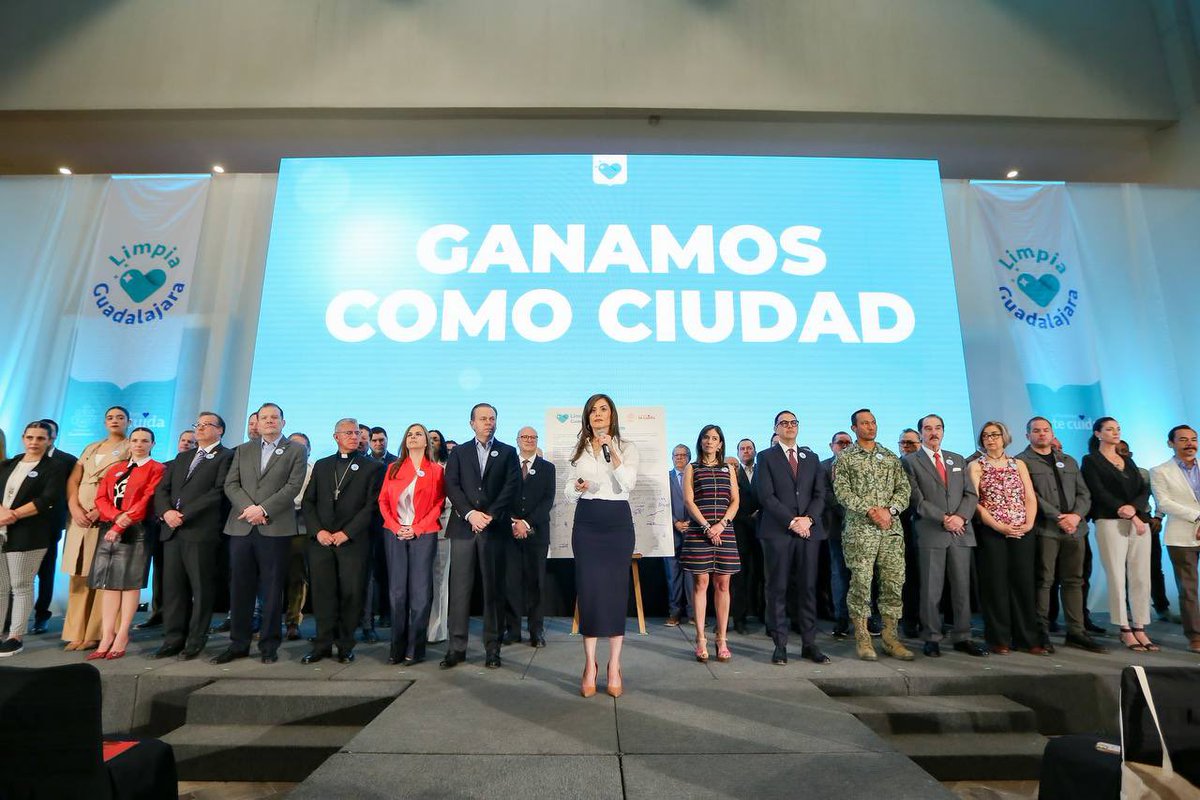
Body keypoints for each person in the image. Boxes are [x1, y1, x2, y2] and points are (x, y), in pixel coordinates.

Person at [213, 403, 308, 664]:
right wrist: (249, 508)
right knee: (240, 588)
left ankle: (269, 646)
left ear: (283, 422)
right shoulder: (244, 450)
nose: (268, 421)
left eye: (274, 417)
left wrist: (263, 509)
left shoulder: (296, 450)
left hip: (274, 527)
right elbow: (231, 483)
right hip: (242, 526)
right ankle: (238, 644)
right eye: (263, 418)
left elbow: (293, 486)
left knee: (272, 588)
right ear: (256, 422)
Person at [564, 393, 638, 697]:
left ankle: (614, 665)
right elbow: (568, 491)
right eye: (593, 410)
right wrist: (578, 487)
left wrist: (612, 450)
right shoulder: (578, 448)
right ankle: (590, 665)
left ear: (612, 415)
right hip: (588, 521)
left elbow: (628, 484)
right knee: (590, 591)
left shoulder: (628, 446)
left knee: (616, 592)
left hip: (617, 521)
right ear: (587, 416)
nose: (598, 414)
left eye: (603, 409)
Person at [1015, 417, 1105, 653]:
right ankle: (1041, 631)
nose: (1042, 434)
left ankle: (1076, 631)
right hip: (1046, 530)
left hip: (1075, 530)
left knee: (1074, 581)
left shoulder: (1068, 460)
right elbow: (1031, 496)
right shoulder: (1021, 462)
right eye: (1036, 431)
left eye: (1046, 430)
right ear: (1028, 436)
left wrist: (1075, 516)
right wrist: (1058, 517)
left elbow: (1084, 493)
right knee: (1044, 581)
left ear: (1052, 433)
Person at [441, 403, 520, 670]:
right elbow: (451, 484)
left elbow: (511, 486)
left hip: (494, 529)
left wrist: (489, 515)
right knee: (460, 591)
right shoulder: (459, 452)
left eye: (492, 418)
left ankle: (492, 649)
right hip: (464, 528)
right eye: (483, 418)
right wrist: (470, 514)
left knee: (493, 591)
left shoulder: (508, 452)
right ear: (472, 423)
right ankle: (456, 648)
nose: (488, 422)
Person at [902, 414, 988, 657]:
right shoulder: (911, 461)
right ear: (921, 433)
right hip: (932, 532)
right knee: (931, 589)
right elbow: (916, 499)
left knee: (962, 587)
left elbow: (971, 494)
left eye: (938, 428)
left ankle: (963, 636)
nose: (933, 432)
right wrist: (945, 518)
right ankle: (931, 637)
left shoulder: (957, 459)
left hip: (960, 531)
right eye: (928, 428)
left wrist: (960, 517)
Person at [301, 419, 384, 664]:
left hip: (353, 542)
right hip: (322, 541)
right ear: (336, 436)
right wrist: (318, 531)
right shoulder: (322, 465)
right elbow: (308, 502)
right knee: (323, 593)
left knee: (351, 594)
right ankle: (322, 644)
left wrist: (346, 533)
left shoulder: (372, 467)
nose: (354, 436)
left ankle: (345, 645)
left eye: (357, 433)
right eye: (348, 433)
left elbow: (371, 506)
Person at [832, 409, 913, 661]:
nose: (870, 426)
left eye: (873, 422)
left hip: (890, 531)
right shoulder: (844, 458)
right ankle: (863, 638)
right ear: (854, 428)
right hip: (860, 531)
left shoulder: (889, 457)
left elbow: (904, 489)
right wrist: (869, 510)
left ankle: (891, 638)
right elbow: (841, 492)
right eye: (864, 423)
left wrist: (890, 510)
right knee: (861, 584)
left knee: (892, 583)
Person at [151, 412, 232, 659]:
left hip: (200, 531)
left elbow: (218, 492)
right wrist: (166, 512)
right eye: (198, 424)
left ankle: (196, 639)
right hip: (172, 530)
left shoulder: (227, 456)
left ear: (220, 430)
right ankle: (173, 638)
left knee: (201, 588)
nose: (200, 428)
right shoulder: (183, 456)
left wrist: (182, 514)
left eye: (207, 425)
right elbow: (162, 489)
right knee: (173, 588)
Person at [85, 427, 165, 660]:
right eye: (135, 440)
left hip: (137, 530)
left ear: (152, 444)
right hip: (110, 527)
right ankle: (107, 634)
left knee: (130, 583)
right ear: (129, 443)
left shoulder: (157, 468)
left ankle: (122, 634)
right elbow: (101, 497)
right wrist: (114, 518)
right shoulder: (116, 469)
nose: (139, 444)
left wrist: (122, 523)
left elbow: (147, 499)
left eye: (145, 441)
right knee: (109, 583)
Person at [755, 412, 828, 664]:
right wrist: (792, 521)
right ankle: (780, 645)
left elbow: (820, 495)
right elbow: (766, 496)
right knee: (778, 588)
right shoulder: (765, 456)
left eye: (793, 423)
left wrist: (808, 519)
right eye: (784, 423)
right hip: (778, 532)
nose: (789, 427)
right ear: (776, 428)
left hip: (809, 532)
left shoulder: (812, 457)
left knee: (808, 588)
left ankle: (809, 643)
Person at [1080, 416, 1157, 652]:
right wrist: (1126, 512)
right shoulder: (1091, 460)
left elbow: (1144, 488)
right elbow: (1098, 491)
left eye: (1118, 429)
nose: (1115, 433)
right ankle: (1124, 628)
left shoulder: (1126, 460)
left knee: (1141, 576)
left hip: (1138, 523)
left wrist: (1134, 509)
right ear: (1097, 434)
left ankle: (1140, 625)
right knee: (1116, 575)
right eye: (1109, 429)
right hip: (1110, 520)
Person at [969, 420, 1041, 655]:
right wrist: (999, 526)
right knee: (996, 585)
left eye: (995, 435)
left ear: (1004, 437)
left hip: (1022, 530)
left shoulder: (1018, 463)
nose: (991, 439)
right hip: (993, 531)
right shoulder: (976, 466)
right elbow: (976, 503)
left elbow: (1030, 496)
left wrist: (1028, 523)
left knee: (1023, 584)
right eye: (986, 435)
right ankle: (999, 638)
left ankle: (1028, 638)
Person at [62, 406, 130, 651]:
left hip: (105, 516)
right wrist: (74, 507)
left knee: (101, 575)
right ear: (104, 422)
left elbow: (126, 484)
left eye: (120, 418)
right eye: (110, 417)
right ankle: (74, 632)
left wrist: (100, 510)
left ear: (128, 421)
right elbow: (73, 479)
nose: (115, 421)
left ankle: (96, 632)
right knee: (77, 574)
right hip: (79, 518)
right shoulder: (91, 447)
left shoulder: (130, 447)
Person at [376, 423, 444, 664]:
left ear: (426, 441)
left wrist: (416, 528)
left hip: (423, 534)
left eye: (418, 434)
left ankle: (415, 648)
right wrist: (396, 527)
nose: (413, 438)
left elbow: (438, 504)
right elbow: (383, 500)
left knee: (420, 594)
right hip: (394, 534)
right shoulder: (393, 468)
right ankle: (396, 648)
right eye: (409, 434)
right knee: (396, 593)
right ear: (405, 441)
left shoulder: (436, 470)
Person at [0, 422, 66, 656]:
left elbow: (47, 499)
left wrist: (13, 515)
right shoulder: (9, 464)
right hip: (1, 531)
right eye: (30, 437)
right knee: (0, 587)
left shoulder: (55, 467)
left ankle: (16, 636)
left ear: (49, 440)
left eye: (40, 438)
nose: (34, 442)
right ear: (23, 438)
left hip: (29, 533)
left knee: (21, 585)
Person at [680, 425, 740, 662]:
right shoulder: (691, 468)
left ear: (721, 443)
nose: (709, 441)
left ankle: (722, 639)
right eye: (706, 437)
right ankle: (701, 639)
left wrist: (721, 525)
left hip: (724, 531)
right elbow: (688, 500)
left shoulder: (728, 469)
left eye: (714, 438)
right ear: (701, 441)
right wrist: (706, 526)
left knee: (723, 585)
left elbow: (735, 501)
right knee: (701, 583)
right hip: (699, 531)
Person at [503, 426, 556, 647]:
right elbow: (500, 497)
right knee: (511, 584)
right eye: (524, 437)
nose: (529, 440)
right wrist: (514, 522)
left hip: (537, 534)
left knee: (536, 584)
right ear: (517, 440)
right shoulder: (506, 466)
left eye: (533, 437)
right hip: (509, 533)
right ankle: (513, 631)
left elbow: (547, 501)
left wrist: (526, 523)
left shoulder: (548, 468)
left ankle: (536, 632)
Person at [1150, 425, 1200, 653]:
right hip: (1181, 536)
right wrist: (1198, 517)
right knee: (1188, 589)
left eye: (1193, 439)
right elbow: (1164, 503)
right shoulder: (1160, 471)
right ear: (1171, 443)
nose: (1190, 443)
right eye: (1183, 439)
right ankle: (1195, 636)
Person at [30, 417, 76, 635]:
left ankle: (42, 616)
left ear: (53, 436)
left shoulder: (67, 460)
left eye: (46, 434)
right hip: (22, 523)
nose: (38, 440)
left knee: (46, 572)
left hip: (50, 524)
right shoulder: (20, 461)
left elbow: (72, 492)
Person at [821, 431, 853, 638]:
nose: (844, 445)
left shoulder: (860, 464)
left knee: (863, 575)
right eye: (840, 442)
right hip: (836, 529)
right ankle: (841, 619)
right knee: (839, 575)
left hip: (863, 530)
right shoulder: (823, 467)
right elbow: (826, 494)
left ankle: (866, 618)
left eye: (848, 442)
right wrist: (850, 511)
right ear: (831, 445)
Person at [729, 438, 762, 635]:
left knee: (762, 576)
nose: (746, 451)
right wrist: (748, 518)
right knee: (738, 579)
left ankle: (763, 615)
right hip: (739, 534)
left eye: (749, 448)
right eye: (742, 448)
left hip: (762, 532)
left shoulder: (763, 471)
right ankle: (738, 618)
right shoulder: (732, 478)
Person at [285, 432, 314, 641]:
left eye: (302, 447)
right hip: (272, 526)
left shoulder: (313, 471)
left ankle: (293, 621)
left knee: (297, 577)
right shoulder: (275, 468)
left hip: (299, 528)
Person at [426, 429, 452, 644]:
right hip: (418, 528)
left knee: (440, 579)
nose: (432, 442)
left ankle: (437, 629)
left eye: (436, 439)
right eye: (429, 439)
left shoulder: (449, 466)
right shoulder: (414, 466)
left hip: (443, 525)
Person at [665, 444, 694, 627]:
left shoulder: (696, 477)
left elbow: (700, 501)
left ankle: (693, 614)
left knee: (693, 575)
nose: (679, 458)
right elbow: (661, 504)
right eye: (676, 455)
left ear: (689, 457)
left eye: (683, 455)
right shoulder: (665, 478)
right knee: (672, 575)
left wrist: (691, 522)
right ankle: (674, 614)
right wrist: (675, 522)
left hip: (693, 532)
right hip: (671, 532)